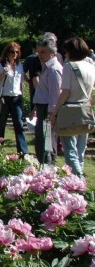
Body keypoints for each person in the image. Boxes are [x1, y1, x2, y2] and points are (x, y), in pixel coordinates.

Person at [50, 37, 95, 176]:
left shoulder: (69, 67)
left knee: (69, 149)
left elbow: (65, 92)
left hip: (70, 108)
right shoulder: (91, 66)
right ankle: (79, 178)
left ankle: (78, 178)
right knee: (80, 149)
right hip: (85, 108)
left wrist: (55, 112)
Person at [0, 42, 28, 155]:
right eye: (12, 52)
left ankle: (23, 151)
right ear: (7, 53)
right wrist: (3, 74)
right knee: (1, 124)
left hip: (16, 98)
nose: (14, 54)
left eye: (17, 52)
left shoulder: (19, 66)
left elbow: (21, 81)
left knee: (19, 125)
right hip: (4, 98)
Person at [32, 37, 63, 165]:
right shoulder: (47, 67)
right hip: (43, 109)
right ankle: (47, 167)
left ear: (52, 52)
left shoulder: (53, 69)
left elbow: (55, 94)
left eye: (43, 52)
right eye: (38, 51)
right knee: (44, 141)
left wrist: (51, 114)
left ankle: (48, 169)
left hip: (47, 111)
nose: (39, 54)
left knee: (46, 142)